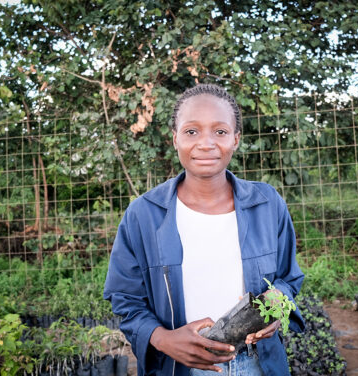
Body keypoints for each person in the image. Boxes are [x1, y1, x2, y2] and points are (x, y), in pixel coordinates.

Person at [103, 84, 305, 376]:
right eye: (191, 131)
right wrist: (163, 338)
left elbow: (288, 278)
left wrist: (275, 306)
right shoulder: (143, 215)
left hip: (258, 364)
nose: (206, 143)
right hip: (181, 367)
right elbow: (125, 298)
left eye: (220, 132)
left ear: (236, 139)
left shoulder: (267, 204)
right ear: (175, 139)